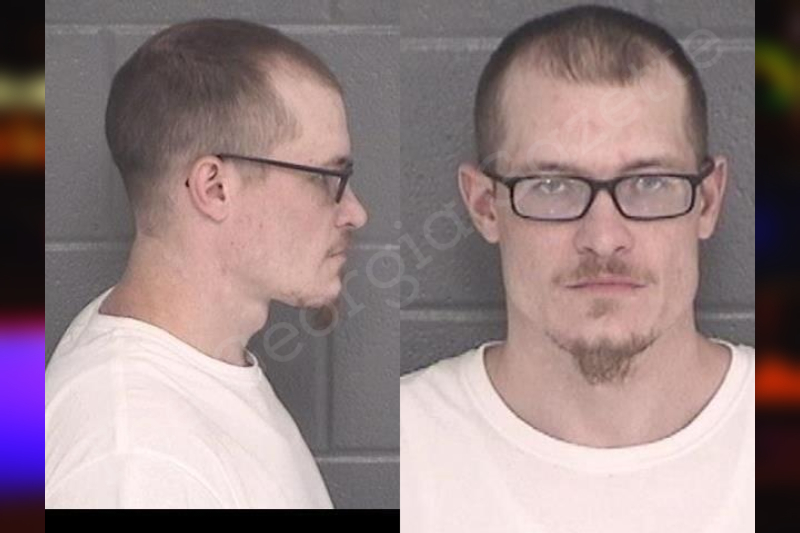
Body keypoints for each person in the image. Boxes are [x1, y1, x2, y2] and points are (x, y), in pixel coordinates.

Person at [401, 6, 754, 532]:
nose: (604, 238)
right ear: (485, 206)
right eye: (552, 186)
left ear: (707, 201)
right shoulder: (411, 448)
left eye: (650, 182)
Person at [45, 19, 368, 509]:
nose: (355, 213)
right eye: (325, 177)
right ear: (214, 188)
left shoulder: (193, 367)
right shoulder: (140, 465)